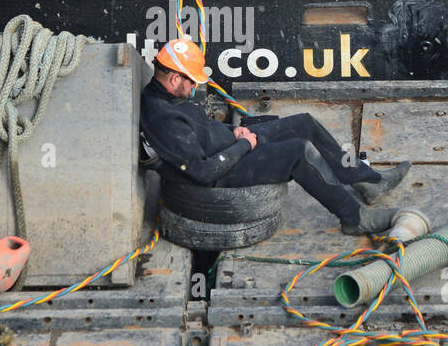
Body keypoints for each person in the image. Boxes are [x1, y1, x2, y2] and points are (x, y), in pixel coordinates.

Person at [140, 39, 411, 236]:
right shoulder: (164, 118)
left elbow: (200, 132)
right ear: (175, 79)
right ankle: (355, 218)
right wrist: (245, 145)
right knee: (298, 152)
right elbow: (204, 171)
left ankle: (367, 181)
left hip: (232, 144)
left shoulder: (169, 98)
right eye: (192, 82)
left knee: (304, 123)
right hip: (225, 172)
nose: (195, 86)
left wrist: (234, 132)